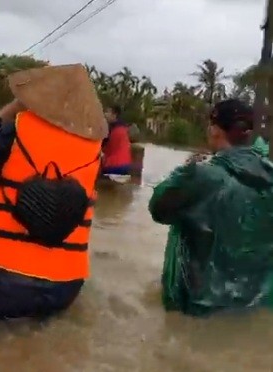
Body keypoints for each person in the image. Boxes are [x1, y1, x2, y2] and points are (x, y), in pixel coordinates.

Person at [0, 64, 107, 323]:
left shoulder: (20, 129)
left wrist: (14, 107)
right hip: (66, 282)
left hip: (7, 277)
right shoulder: (95, 149)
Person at [149, 99, 273, 317]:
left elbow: (158, 208)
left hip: (202, 307)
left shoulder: (201, 176)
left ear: (215, 131)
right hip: (257, 303)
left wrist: (185, 171)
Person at [101, 105, 132, 176]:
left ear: (114, 115)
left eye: (107, 112)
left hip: (114, 165)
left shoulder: (113, 130)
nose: (105, 114)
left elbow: (105, 147)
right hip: (126, 164)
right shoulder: (123, 128)